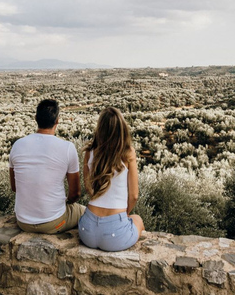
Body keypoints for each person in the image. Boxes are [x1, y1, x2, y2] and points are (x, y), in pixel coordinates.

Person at [9, 99, 85, 233]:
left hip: (23, 222)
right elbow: (75, 194)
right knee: (88, 213)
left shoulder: (17, 145)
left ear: (35, 118)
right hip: (53, 222)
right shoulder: (67, 148)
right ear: (57, 120)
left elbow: (15, 188)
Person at [78, 106, 145, 251]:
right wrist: (123, 215)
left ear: (99, 129)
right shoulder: (128, 153)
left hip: (86, 231)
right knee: (138, 219)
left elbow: (89, 189)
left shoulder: (89, 152)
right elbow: (134, 195)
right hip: (115, 235)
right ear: (122, 128)